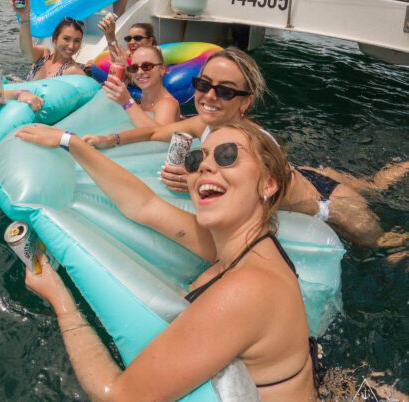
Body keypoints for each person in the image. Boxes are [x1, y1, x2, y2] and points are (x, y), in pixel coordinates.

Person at [18, 119, 319, 400]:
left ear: (269, 183)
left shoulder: (248, 289)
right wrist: (70, 142)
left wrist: (60, 301)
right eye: (196, 160)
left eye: (228, 155)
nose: (206, 167)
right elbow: (144, 206)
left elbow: (117, 395)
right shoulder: (244, 248)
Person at [84, 47, 409, 254]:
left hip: (327, 204)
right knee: (374, 184)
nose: (210, 96)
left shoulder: (252, 143)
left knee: (379, 243)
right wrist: (108, 141)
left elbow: (256, 195)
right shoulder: (204, 123)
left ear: (246, 101)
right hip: (309, 174)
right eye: (203, 85)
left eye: (225, 91)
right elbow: (156, 131)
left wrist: (196, 179)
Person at [11, 0, 86, 79]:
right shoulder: (42, 54)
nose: (71, 46)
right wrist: (24, 16)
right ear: (55, 39)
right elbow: (26, 51)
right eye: (66, 39)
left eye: (77, 41)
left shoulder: (74, 72)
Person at [104, 45, 180, 127]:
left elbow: (160, 135)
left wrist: (127, 102)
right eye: (134, 67)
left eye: (147, 66)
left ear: (162, 69)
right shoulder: (140, 104)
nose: (139, 72)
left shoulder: (167, 104)